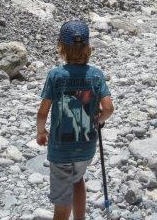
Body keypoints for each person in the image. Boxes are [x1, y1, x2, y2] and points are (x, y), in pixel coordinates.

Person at [36, 19, 114, 220]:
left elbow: (43, 111)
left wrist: (41, 131)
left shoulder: (55, 75)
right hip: (86, 146)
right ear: (88, 46)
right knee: (77, 179)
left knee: (62, 200)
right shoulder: (96, 75)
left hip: (61, 148)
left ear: (61, 46)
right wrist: (98, 119)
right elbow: (108, 108)